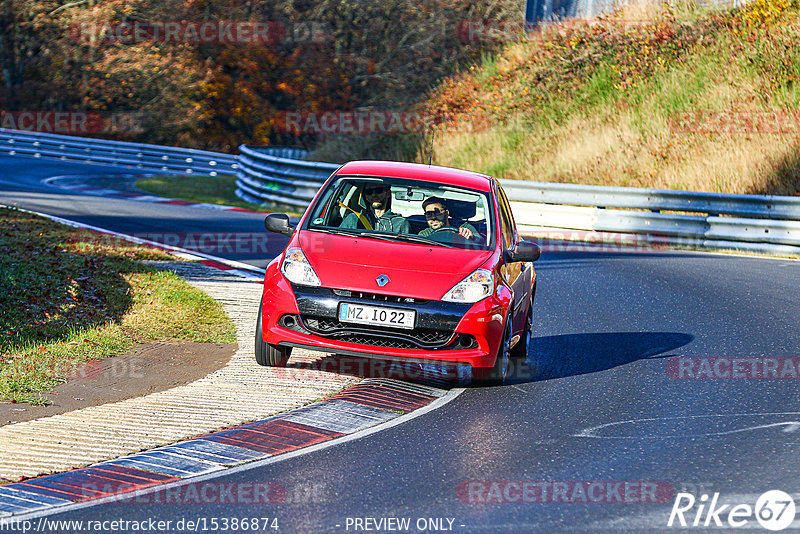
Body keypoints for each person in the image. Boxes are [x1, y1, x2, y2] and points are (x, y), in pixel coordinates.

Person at [340, 182, 410, 233]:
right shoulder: (353, 219)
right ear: (366, 197)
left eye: (378, 191)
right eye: (369, 192)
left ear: (388, 193)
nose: (374, 195)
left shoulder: (400, 223)